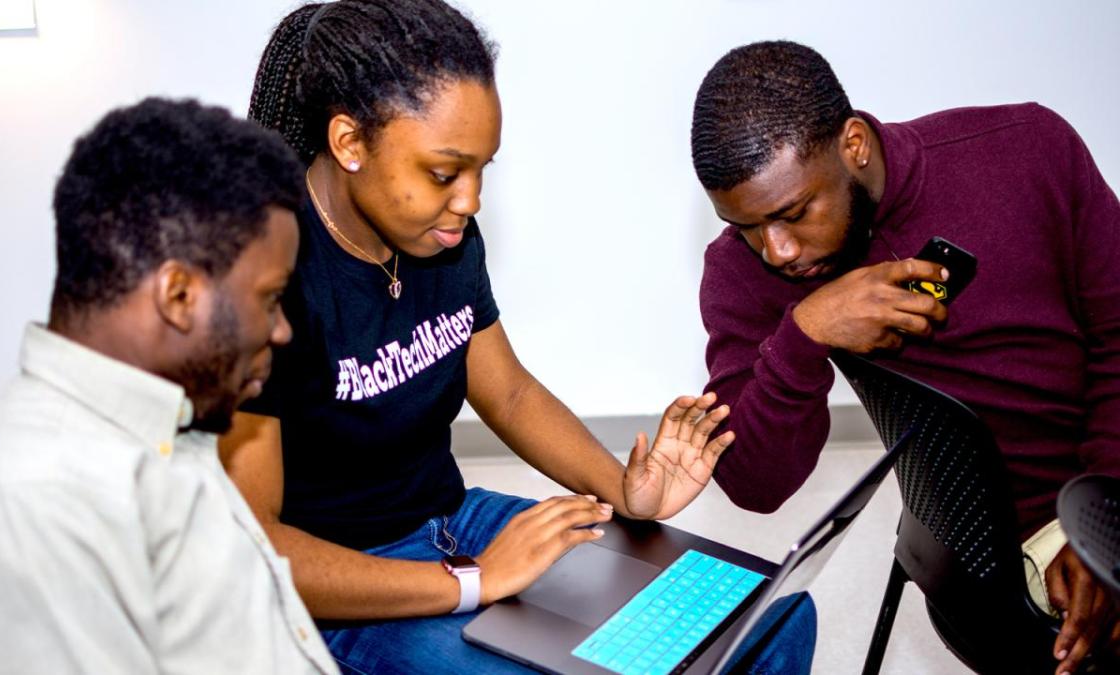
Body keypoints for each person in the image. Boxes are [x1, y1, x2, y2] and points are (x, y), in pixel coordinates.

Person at [220, 2, 817, 673]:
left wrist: (627, 491)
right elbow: (256, 548)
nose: (470, 200)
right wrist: (473, 581)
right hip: (343, 589)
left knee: (768, 617)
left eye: (483, 169)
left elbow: (506, 392)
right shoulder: (262, 279)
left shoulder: (440, 237)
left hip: (454, 522)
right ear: (349, 143)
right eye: (445, 173)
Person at [690, 40, 1120, 674]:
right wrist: (804, 332)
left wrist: (1107, 512)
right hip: (1011, 543)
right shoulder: (741, 272)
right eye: (747, 225)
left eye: (793, 213)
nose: (776, 250)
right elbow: (755, 485)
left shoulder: (1028, 148)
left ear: (855, 145)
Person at [0, 98, 339, 674]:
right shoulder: (33, 504)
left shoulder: (166, 425)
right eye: (270, 300)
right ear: (178, 297)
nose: (283, 330)